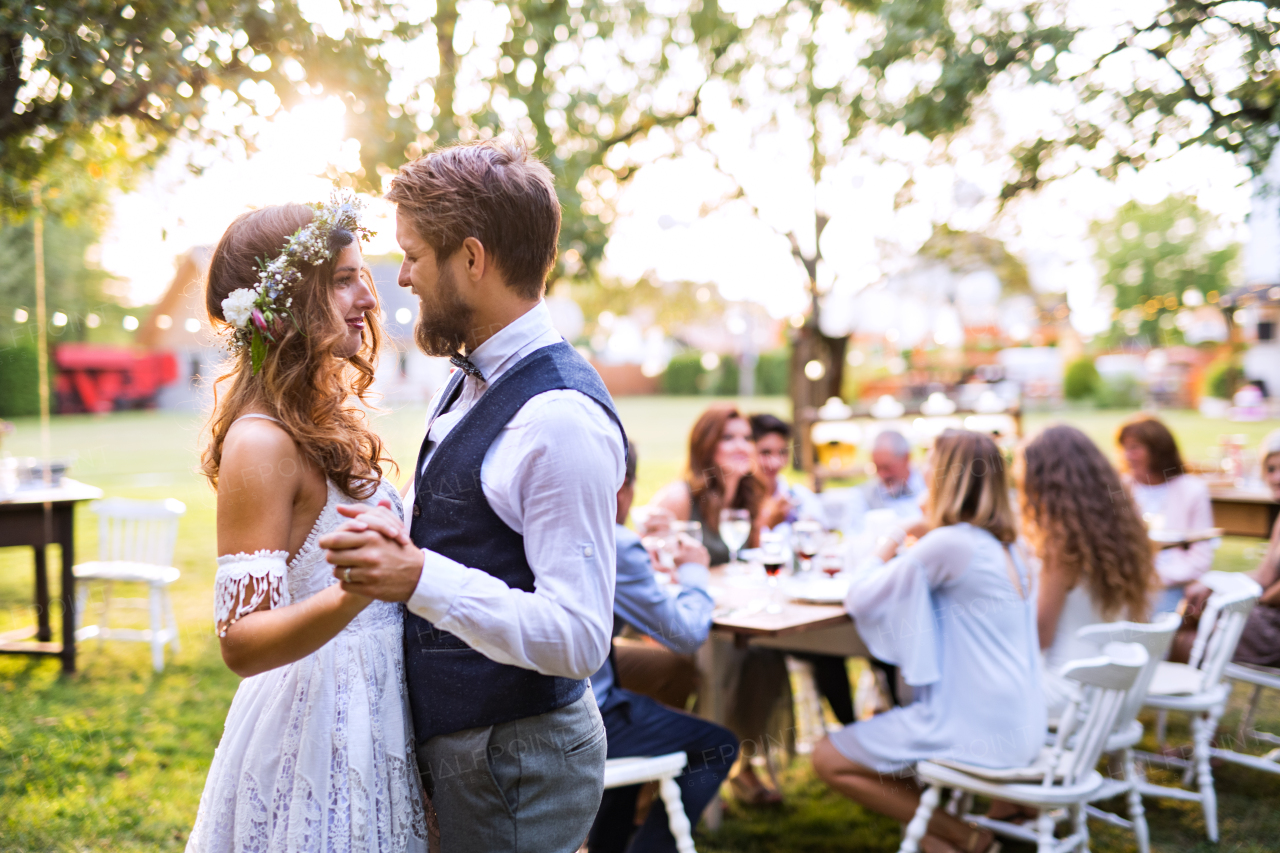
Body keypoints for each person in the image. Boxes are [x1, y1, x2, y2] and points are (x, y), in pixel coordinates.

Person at [319, 140, 626, 852]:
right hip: (471, 755)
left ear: (473, 259)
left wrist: (419, 578)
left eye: (415, 255)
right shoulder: (469, 374)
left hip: (516, 764)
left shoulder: (558, 419)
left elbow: (580, 637)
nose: (403, 277)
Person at [187, 200, 429, 851]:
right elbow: (242, 640)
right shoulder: (261, 443)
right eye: (346, 278)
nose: (370, 298)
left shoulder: (325, 416)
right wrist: (357, 588)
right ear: (292, 298)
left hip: (382, 709)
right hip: (314, 729)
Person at [813, 430, 1043, 853]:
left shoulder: (950, 543)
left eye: (928, 461)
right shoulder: (1010, 546)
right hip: (1022, 722)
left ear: (945, 476)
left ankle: (968, 837)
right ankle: (947, 837)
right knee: (896, 773)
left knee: (827, 757)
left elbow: (860, 594)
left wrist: (897, 533)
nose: (921, 468)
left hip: (971, 726)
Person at [588, 440, 739, 853]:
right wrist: (693, 573)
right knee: (719, 745)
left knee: (667, 674)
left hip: (514, 702)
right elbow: (687, 634)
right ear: (623, 489)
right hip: (582, 714)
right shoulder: (612, 540)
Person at [646, 404, 787, 805]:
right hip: (676, 624)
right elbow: (647, 567)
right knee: (726, 660)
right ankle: (705, 774)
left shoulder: (749, 494)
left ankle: (742, 764)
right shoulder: (679, 497)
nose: (742, 445)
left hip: (729, 615)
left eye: (746, 437)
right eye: (729, 438)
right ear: (705, 446)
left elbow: (749, 562)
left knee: (765, 656)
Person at [1019, 424, 1155, 719]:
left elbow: (1039, 637)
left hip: (1070, 692)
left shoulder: (1062, 545)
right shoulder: (1123, 531)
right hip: (1114, 688)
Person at [1176, 429, 1280, 666]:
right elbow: (1264, 575)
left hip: (1274, 625)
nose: (1275, 477)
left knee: (1201, 631)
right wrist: (1213, 583)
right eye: (1271, 469)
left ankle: (1182, 688)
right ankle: (1177, 684)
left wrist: (1245, 599)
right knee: (1194, 604)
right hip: (1266, 611)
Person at [1117, 414, 1217, 613]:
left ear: (1158, 450)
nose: (1128, 455)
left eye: (1135, 448)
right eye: (1125, 448)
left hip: (1171, 586)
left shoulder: (1192, 490)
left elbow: (1200, 558)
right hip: (1125, 583)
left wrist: (1153, 579)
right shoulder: (1120, 489)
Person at [838, 429, 927, 534]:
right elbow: (853, 536)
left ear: (906, 457)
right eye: (877, 468)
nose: (882, 474)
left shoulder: (928, 487)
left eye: (887, 467)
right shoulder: (861, 496)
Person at [749, 413, 824, 532]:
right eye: (765, 452)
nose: (775, 463)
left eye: (782, 452)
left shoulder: (799, 498)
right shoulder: (737, 503)